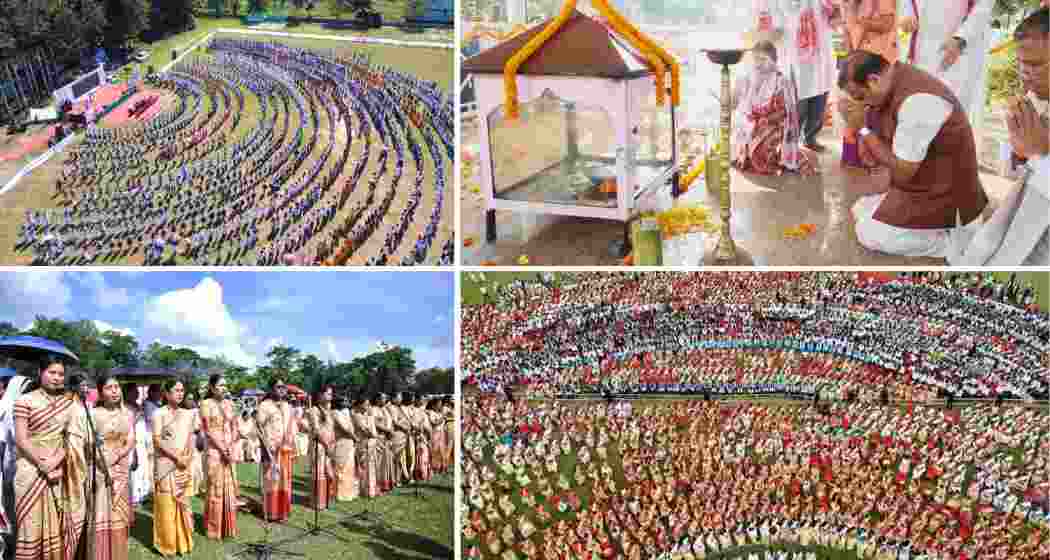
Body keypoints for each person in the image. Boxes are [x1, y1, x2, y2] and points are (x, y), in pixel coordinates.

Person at [838, 50, 988, 257]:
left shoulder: (917, 102)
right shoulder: (893, 80)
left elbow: (903, 172)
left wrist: (863, 130)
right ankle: (930, 229)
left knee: (869, 234)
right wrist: (865, 136)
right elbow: (882, 153)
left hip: (948, 195)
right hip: (923, 182)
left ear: (873, 80)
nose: (864, 104)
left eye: (861, 97)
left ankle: (953, 244)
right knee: (860, 208)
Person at [950, 8, 1049, 265]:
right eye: (1021, 64)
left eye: (1036, 65)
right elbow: (1024, 160)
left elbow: (1037, 155)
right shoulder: (1038, 98)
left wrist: (1038, 155)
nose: (1025, 74)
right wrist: (1023, 152)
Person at [12, 358, 88, 560]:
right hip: (30, 471)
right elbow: (20, 438)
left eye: (61, 374)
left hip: (59, 472)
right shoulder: (24, 400)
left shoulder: (70, 404)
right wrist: (42, 463)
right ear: (40, 372)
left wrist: (54, 463)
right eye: (52, 372)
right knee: (30, 526)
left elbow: (72, 438)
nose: (56, 378)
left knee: (58, 525)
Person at [898, 0, 995, 133]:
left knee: (948, 121)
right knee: (915, 120)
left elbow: (984, 5)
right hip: (920, 49)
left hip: (957, 50)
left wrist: (961, 38)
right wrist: (906, 15)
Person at [732, 41, 813, 176]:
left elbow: (785, 112)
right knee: (742, 127)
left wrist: (765, 119)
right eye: (756, 59)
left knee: (760, 136)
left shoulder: (781, 81)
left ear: (773, 60)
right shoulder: (749, 78)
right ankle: (746, 158)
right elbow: (739, 105)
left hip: (774, 123)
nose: (758, 64)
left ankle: (767, 159)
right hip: (755, 121)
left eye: (763, 59)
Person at [841, 0, 897, 169]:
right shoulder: (848, 4)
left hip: (877, 61)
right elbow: (847, 31)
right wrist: (849, 58)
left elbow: (888, 24)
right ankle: (854, 156)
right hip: (857, 60)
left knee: (872, 109)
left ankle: (874, 156)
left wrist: (862, 22)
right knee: (852, 106)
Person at [90, 374, 135, 560]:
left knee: (118, 514)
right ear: (100, 392)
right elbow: (90, 444)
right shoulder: (93, 414)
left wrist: (119, 455)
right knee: (102, 512)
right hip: (101, 470)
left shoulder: (128, 413)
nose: (115, 391)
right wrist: (105, 460)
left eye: (117, 386)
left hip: (121, 468)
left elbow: (131, 439)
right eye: (109, 387)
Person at [152, 379, 197, 557]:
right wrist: (176, 457)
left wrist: (187, 457)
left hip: (183, 464)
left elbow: (191, 438)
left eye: (182, 391)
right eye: (176, 390)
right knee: (166, 505)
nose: (180, 393)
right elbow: (157, 439)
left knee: (183, 503)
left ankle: (183, 542)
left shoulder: (188, 414)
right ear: (166, 393)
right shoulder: (159, 413)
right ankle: (167, 544)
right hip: (165, 464)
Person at [200, 374, 239, 540]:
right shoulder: (205, 404)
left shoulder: (230, 404)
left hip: (229, 450)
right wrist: (222, 448)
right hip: (215, 451)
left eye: (226, 385)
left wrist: (231, 445)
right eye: (221, 385)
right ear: (212, 387)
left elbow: (235, 426)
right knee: (215, 488)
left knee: (229, 487)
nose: (224, 388)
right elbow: (208, 430)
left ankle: (228, 527)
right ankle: (214, 528)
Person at [257, 379, 297, 522]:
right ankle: (271, 512)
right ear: (271, 388)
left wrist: (290, 443)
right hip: (271, 450)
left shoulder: (287, 406)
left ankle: (283, 511)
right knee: (271, 481)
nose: (282, 389)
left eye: (284, 387)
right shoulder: (265, 405)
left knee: (284, 481)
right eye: (278, 387)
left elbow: (292, 427)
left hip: (285, 449)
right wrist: (267, 447)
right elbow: (259, 427)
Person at [305, 386, 336, 510]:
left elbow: (331, 429)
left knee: (329, 473)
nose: (330, 397)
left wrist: (332, 444)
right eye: (328, 394)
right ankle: (317, 502)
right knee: (318, 473)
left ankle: (327, 499)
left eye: (331, 394)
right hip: (319, 445)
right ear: (320, 395)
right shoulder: (314, 410)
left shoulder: (329, 411)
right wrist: (326, 444)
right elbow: (317, 431)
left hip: (329, 446)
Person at [352, 396, 381, 498]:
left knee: (372, 467)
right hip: (363, 444)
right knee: (364, 468)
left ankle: (372, 489)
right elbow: (365, 430)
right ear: (360, 405)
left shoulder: (369, 416)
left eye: (368, 405)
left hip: (372, 444)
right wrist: (373, 435)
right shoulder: (357, 416)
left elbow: (373, 430)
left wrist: (374, 435)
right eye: (366, 404)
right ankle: (364, 490)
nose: (368, 406)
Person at [331, 395, 358, 501]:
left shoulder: (347, 412)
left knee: (349, 468)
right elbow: (344, 428)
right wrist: (355, 437)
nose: (346, 402)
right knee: (340, 468)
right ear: (338, 402)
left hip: (349, 442)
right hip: (341, 442)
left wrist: (353, 438)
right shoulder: (335, 413)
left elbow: (352, 426)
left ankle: (347, 493)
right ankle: (339, 494)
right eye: (344, 400)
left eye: (347, 400)